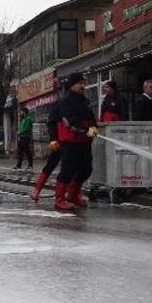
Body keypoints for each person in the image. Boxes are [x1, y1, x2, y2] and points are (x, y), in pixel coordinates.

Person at [46, 73, 97, 211]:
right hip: (70, 142)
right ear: (72, 84)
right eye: (79, 83)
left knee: (86, 169)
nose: (82, 86)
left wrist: (94, 128)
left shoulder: (85, 101)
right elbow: (69, 122)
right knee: (67, 170)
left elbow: (91, 117)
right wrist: (85, 129)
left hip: (84, 141)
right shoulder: (65, 102)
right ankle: (59, 199)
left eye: (83, 83)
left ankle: (73, 195)